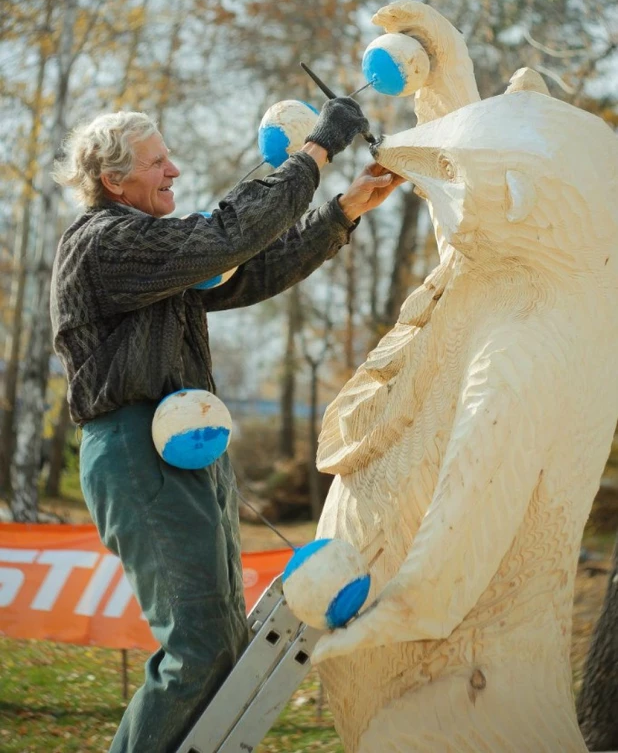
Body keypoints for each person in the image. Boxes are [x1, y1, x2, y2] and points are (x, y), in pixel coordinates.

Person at [50, 100, 402, 753]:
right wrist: (317, 149)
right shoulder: (105, 243)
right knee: (200, 649)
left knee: (227, 650)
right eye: (159, 163)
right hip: (135, 450)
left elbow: (247, 269)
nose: (174, 169)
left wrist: (342, 212)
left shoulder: (154, 252)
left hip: (187, 450)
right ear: (113, 181)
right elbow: (226, 236)